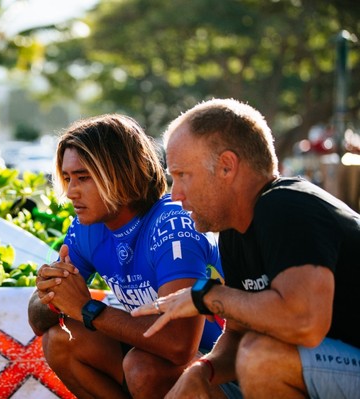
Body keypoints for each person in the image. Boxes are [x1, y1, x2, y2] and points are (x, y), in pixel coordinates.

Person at [132, 98, 360, 398]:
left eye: (182, 175)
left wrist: (208, 297)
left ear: (227, 166)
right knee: (191, 379)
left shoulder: (287, 206)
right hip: (329, 367)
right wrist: (203, 371)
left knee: (261, 357)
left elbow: (304, 322)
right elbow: (237, 334)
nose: (175, 195)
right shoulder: (234, 230)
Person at [27, 114, 237, 398]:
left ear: (120, 173)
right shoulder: (87, 227)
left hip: (229, 372)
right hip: (165, 359)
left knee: (143, 366)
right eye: (67, 178)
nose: (71, 192)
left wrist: (86, 309)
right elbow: (38, 322)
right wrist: (51, 293)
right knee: (61, 341)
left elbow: (178, 345)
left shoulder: (173, 222)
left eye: (83, 178)